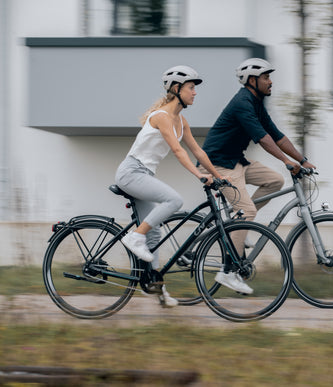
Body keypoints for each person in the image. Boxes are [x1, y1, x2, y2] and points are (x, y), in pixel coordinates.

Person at [199, 58, 316, 294]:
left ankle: (236, 227)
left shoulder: (256, 103)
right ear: (252, 80)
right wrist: (285, 161)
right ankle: (228, 271)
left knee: (274, 181)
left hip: (236, 161)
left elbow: (277, 136)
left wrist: (302, 160)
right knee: (248, 211)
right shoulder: (243, 102)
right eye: (266, 77)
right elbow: (263, 139)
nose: (270, 82)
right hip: (217, 165)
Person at [116, 65, 227, 307]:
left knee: (154, 231)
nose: (195, 93)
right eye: (190, 88)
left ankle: (154, 285)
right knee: (173, 201)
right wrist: (199, 175)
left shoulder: (180, 120)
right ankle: (134, 237)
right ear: (176, 89)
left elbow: (197, 150)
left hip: (143, 174)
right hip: (131, 172)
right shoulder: (162, 117)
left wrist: (217, 176)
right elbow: (178, 151)